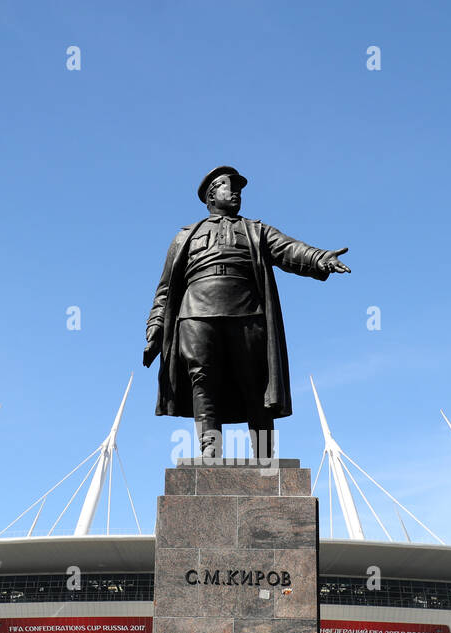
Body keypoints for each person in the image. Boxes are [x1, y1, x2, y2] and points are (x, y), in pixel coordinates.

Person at [143, 166, 350, 459]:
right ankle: (209, 455)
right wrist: (155, 326)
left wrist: (321, 258)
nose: (236, 191)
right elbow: (165, 288)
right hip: (196, 313)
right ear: (211, 195)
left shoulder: (256, 230)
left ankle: (264, 457)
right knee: (203, 381)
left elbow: (290, 250)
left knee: (256, 382)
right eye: (229, 186)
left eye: (239, 187)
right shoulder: (185, 236)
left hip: (246, 311)